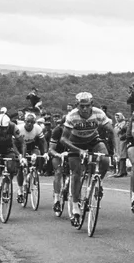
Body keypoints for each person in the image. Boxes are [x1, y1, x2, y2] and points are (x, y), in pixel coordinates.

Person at [61, 92, 113, 226]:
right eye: (81, 106)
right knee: (76, 173)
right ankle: (75, 208)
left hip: (92, 140)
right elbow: (63, 139)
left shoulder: (99, 113)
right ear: (77, 105)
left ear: (92, 105)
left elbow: (113, 131)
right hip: (75, 143)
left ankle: (97, 183)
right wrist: (79, 151)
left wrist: (117, 153)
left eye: (87, 106)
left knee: (105, 160)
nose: (84, 109)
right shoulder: (72, 116)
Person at [16, 112, 48, 202]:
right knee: (20, 168)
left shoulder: (37, 128)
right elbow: (13, 143)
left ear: (34, 122)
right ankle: (20, 190)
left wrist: (45, 153)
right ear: (24, 121)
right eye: (28, 122)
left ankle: (34, 170)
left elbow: (43, 142)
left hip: (31, 147)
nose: (30, 124)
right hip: (19, 148)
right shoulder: (19, 128)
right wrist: (20, 155)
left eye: (32, 122)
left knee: (37, 154)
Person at [48, 114, 69, 213]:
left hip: (71, 154)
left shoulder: (76, 131)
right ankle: (56, 199)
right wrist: (58, 155)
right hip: (58, 154)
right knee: (58, 171)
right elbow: (51, 149)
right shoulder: (57, 131)